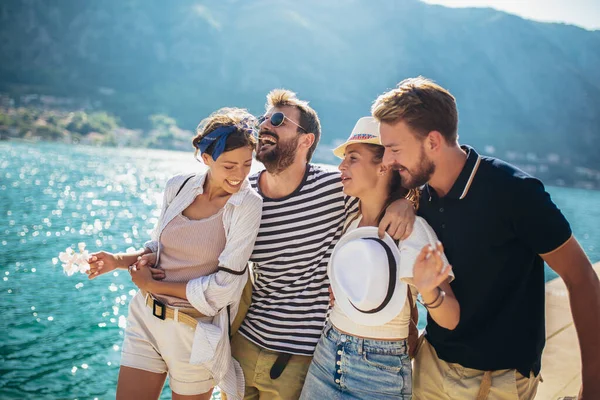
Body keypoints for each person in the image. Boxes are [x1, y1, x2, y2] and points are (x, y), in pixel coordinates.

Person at [372, 77, 600, 399]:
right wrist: (405, 201)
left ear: (433, 142)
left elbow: (582, 279)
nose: (387, 161)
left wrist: (593, 386)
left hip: (497, 381)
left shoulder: (514, 192)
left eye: (394, 149)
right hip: (430, 364)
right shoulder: (420, 193)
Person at [229, 90, 417, 400]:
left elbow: (384, 184)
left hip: (298, 361)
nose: (265, 125)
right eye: (264, 119)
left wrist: (407, 202)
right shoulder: (242, 196)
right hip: (242, 345)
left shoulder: (337, 188)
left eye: (278, 120)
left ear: (306, 141)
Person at [87, 107, 263, 400]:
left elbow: (225, 289)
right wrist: (118, 261)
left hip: (193, 333)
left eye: (247, 164)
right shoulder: (178, 185)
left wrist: (154, 284)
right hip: (145, 317)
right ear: (207, 159)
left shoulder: (247, 205)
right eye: (229, 166)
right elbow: (159, 248)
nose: (240, 175)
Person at [299, 116, 460, 400]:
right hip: (326, 351)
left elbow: (450, 318)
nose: (341, 167)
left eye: (353, 158)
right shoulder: (351, 219)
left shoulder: (411, 231)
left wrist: (427, 289)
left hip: (378, 371)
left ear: (384, 166)